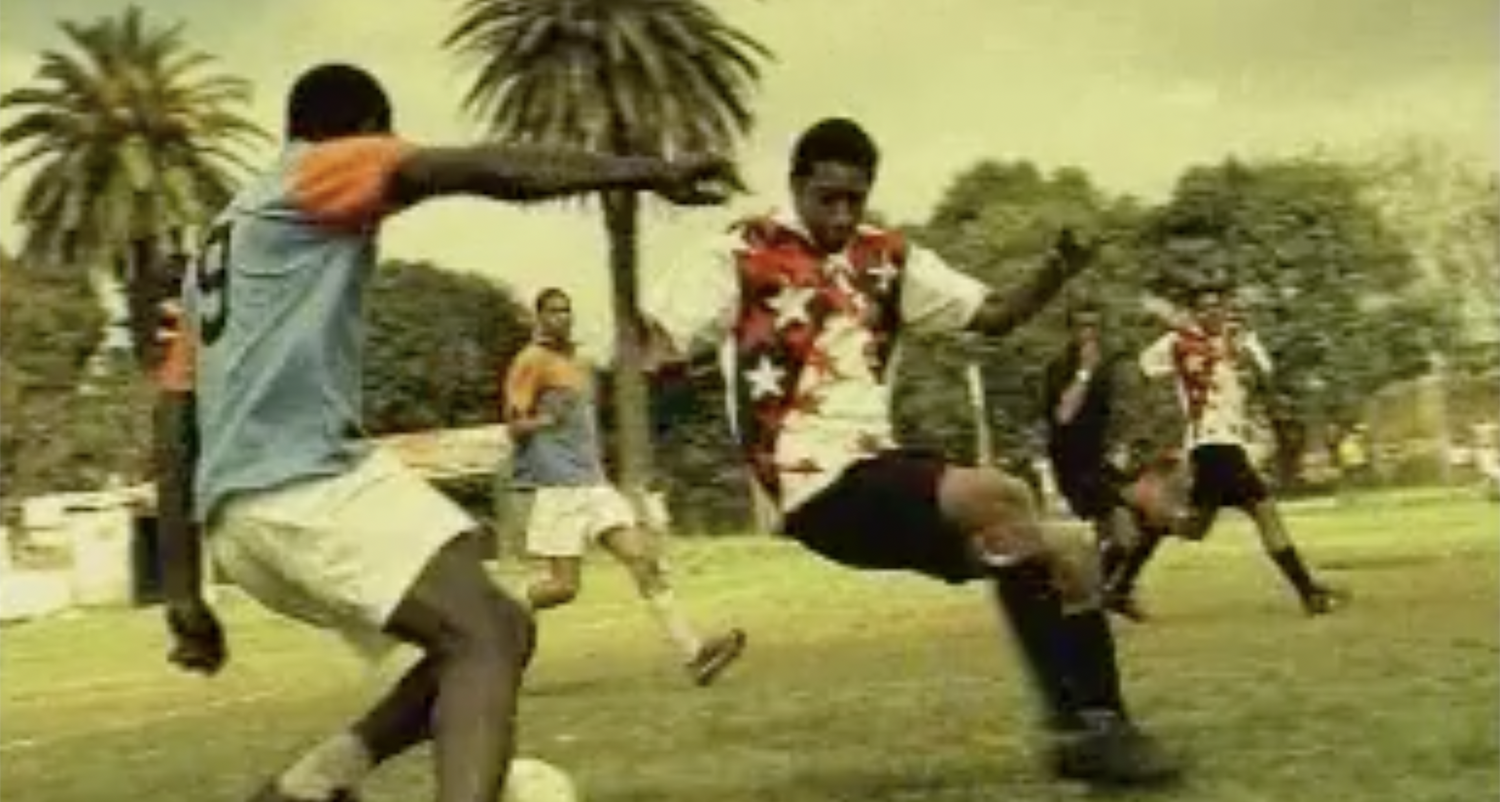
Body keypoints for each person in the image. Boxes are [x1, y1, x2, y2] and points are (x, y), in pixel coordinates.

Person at [163, 62, 739, 802]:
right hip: (302, 485)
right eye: (386, 141)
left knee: (496, 627)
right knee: (485, 636)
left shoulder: (226, 236)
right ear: (367, 130)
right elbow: (485, 168)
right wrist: (646, 172)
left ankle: (314, 784)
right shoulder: (321, 168)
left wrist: (183, 591)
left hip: (239, 523)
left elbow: (173, 414)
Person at [640, 117, 1182, 788]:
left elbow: (994, 315)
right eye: (827, 198)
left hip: (876, 473)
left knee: (1055, 552)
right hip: (812, 485)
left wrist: (1057, 268)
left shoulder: (888, 259)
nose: (842, 215)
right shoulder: (742, 251)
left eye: (855, 199)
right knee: (1003, 496)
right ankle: (1090, 731)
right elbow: (656, 341)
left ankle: (1092, 731)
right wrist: (656, 369)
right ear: (796, 186)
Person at [504, 287, 746, 685]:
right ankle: (498, 608)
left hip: (594, 485)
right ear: (539, 318)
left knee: (643, 559)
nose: (562, 318)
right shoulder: (530, 362)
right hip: (559, 488)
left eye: (566, 311)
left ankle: (695, 654)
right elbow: (513, 426)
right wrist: (544, 422)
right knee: (563, 588)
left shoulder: (576, 361)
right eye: (553, 312)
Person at [1138, 284, 1346, 616]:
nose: (1212, 312)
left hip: (1230, 445)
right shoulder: (1178, 342)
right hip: (1211, 444)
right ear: (1194, 313)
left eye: (1217, 306)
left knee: (1196, 528)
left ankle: (1145, 531)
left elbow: (1266, 374)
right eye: (1204, 307)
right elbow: (1146, 366)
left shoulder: (1239, 338)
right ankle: (1310, 594)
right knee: (1265, 513)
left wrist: (1241, 348)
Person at [1041, 298, 1184, 622]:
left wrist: (1138, 444)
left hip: (1104, 463)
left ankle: (1116, 590)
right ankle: (1085, 597)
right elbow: (1063, 416)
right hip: (1074, 466)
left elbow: (1126, 406)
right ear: (1070, 331)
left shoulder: (1108, 366)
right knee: (1123, 535)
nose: (1089, 333)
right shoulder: (1060, 368)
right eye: (1082, 326)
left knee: (1158, 518)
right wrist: (1084, 372)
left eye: (1094, 326)